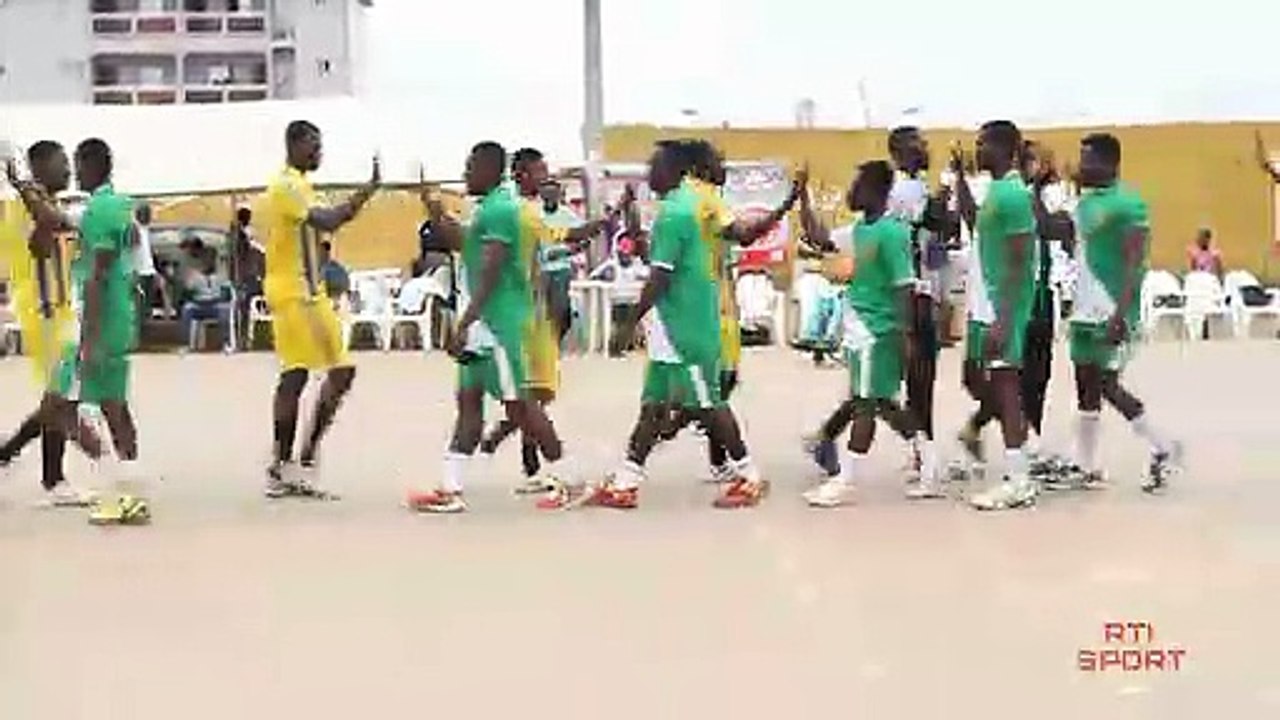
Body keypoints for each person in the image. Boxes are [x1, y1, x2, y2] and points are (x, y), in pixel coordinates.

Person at [583, 140, 767, 510]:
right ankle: (626, 481)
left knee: (711, 405)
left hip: (688, 324)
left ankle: (750, 477)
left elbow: (659, 278)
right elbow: (660, 261)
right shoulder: (685, 208)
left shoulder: (675, 213)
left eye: (655, 166)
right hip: (671, 325)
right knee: (653, 406)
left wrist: (628, 322)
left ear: (673, 170)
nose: (650, 173)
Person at [406, 141, 575, 514]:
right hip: (482, 323)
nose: (465, 174)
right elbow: (466, 246)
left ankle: (566, 478)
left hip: (497, 324)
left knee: (520, 407)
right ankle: (450, 487)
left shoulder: (500, 209)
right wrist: (436, 214)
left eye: (471, 167)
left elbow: (491, 270)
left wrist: (464, 322)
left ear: (490, 169)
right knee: (468, 405)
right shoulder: (488, 209)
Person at [804, 127, 948, 486]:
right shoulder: (903, 192)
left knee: (878, 395)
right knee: (885, 393)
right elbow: (938, 223)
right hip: (901, 303)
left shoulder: (891, 214)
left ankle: (912, 458)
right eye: (918, 144)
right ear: (900, 150)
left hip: (894, 307)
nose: (926, 149)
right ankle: (920, 456)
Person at [659, 139, 800, 482]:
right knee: (715, 386)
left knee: (719, 384)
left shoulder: (694, 200)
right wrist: (786, 205)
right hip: (710, 310)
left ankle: (706, 447)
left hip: (719, 305)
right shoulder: (706, 199)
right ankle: (724, 457)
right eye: (719, 163)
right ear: (703, 167)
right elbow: (747, 235)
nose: (725, 170)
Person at [474, 146, 607, 495]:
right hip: (525, 314)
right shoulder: (522, 213)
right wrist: (601, 224)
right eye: (539, 173)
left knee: (535, 392)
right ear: (520, 175)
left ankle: (519, 454)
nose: (546, 180)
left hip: (538, 309)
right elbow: (568, 238)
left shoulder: (521, 211)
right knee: (529, 393)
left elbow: (563, 242)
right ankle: (547, 467)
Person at [261, 120, 380, 498]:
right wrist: (366, 194)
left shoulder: (303, 185)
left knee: (341, 371)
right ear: (293, 145)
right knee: (295, 375)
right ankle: (282, 466)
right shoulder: (285, 186)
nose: (318, 153)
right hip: (292, 291)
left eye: (320, 146)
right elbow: (327, 221)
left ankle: (306, 456)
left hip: (314, 292)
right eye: (312, 146)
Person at [1069, 133, 1182, 492]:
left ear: (1110, 163)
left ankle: (1163, 446)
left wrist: (1121, 313)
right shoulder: (1083, 204)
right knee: (1085, 387)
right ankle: (1087, 467)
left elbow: (1136, 262)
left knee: (1106, 383)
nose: (1082, 165)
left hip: (1112, 308)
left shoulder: (1130, 204)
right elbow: (1059, 232)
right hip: (1083, 310)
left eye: (1088, 159)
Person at [0, 141, 98, 506]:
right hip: (42, 310)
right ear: (38, 167)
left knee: (57, 396)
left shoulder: (41, 201)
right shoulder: (25, 206)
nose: (68, 170)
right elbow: (47, 228)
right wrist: (20, 182)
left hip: (57, 308)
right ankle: (53, 480)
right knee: (59, 397)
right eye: (60, 163)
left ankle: (9, 455)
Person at [951, 120, 1039, 511]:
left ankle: (1018, 478)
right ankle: (999, 428)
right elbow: (974, 223)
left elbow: (1022, 258)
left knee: (1005, 383)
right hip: (983, 301)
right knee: (974, 377)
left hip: (1004, 302)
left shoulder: (1015, 194)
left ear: (1003, 149)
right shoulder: (997, 192)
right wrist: (958, 179)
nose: (977, 151)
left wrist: (1006, 316)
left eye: (982, 145)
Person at [178, 243, 233, 351]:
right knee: (187, 309)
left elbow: (227, 291)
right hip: (199, 305)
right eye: (206, 258)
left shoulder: (221, 274)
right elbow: (187, 291)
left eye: (212, 258)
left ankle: (226, 343)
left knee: (225, 310)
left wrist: (222, 296)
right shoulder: (194, 274)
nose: (209, 261)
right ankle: (185, 344)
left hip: (215, 304)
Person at [229, 205, 264, 349]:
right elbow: (242, 253)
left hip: (245, 275)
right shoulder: (239, 235)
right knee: (242, 308)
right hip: (243, 275)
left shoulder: (241, 233)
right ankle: (241, 340)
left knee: (244, 308)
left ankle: (243, 339)